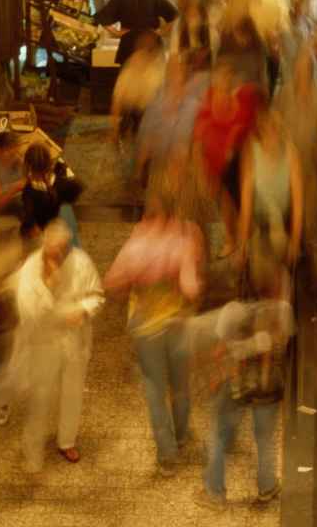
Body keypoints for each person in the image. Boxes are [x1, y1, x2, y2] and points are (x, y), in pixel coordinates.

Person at [104, 203, 205, 473]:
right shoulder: (186, 236)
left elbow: (112, 282)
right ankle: (181, 436)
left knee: (156, 391)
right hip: (178, 323)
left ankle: (167, 456)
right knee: (181, 385)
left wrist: (136, 277)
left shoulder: (137, 244)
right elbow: (191, 289)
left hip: (147, 327)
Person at [12, 220, 103, 470]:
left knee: (72, 391)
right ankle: (33, 446)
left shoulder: (81, 262)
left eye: (62, 251)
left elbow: (96, 295)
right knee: (41, 396)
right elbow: (26, 309)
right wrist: (49, 290)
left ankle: (67, 440)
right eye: (52, 252)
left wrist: (83, 311)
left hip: (75, 341)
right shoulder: (30, 269)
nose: (57, 257)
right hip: (44, 343)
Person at [192, 299, 294, 508]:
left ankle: (215, 493)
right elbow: (286, 345)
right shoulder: (283, 308)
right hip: (270, 387)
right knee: (265, 439)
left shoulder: (233, 310)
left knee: (218, 436)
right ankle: (267, 487)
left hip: (239, 385)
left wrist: (216, 372)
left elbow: (220, 352)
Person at [238, 107, 304, 298]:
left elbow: (298, 202)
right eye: (268, 128)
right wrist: (243, 241)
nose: (273, 132)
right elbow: (246, 200)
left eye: (276, 127)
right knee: (258, 272)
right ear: (261, 130)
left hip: (281, 219)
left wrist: (295, 239)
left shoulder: (291, 153)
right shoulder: (251, 152)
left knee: (279, 261)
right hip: (258, 220)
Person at [96, 0, 181, 68]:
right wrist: (160, 32)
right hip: (152, 45)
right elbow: (176, 17)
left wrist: (117, 33)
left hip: (129, 46)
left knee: (129, 82)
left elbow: (101, 17)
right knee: (153, 82)